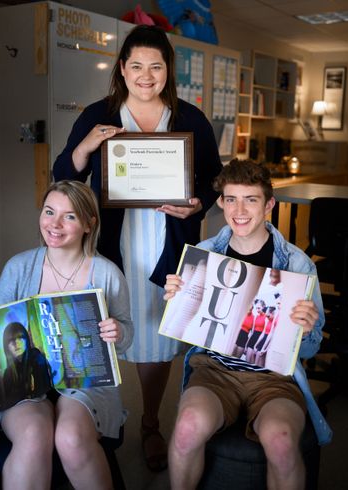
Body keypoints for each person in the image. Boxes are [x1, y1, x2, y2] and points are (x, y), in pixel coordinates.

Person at [53, 24, 222, 471]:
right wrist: (85, 147)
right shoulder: (98, 113)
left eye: (156, 66)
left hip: (169, 242)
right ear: (122, 70)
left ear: (168, 71)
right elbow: (62, 174)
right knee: (103, 332)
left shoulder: (190, 119)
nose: (146, 76)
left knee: (155, 338)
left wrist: (198, 204)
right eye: (136, 66)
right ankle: (106, 417)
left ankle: (150, 421)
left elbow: (213, 179)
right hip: (111, 243)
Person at [164, 159, 332, 490]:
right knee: (185, 429)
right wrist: (176, 303)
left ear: (269, 204)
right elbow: (185, 334)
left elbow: (311, 349)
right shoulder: (204, 253)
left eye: (251, 199)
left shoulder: (297, 264)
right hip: (215, 370)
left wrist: (307, 328)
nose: (239, 210)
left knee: (281, 441)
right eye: (231, 199)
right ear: (222, 202)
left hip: (274, 377)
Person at [0, 180, 133, 490]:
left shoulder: (107, 273)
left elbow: (128, 335)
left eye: (69, 216)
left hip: (87, 383)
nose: (54, 224)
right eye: (49, 211)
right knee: (32, 436)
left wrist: (117, 332)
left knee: (70, 437)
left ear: (89, 224)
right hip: (22, 382)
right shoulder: (18, 267)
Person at [2, 321, 52, 407]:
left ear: (27, 339)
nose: (16, 343)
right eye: (11, 340)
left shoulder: (37, 358)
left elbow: (44, 390)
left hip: (43, 403)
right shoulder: (8, 373)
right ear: (6, 346)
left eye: (20, 337)